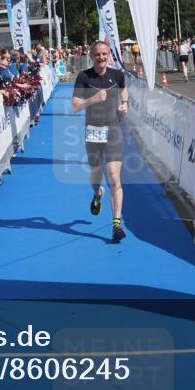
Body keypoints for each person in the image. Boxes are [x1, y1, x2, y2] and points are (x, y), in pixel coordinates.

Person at [72, 41, 129, 243]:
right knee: (96, 176)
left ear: (108, 56)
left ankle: (116, 224)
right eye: (98, 55)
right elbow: (75, 106)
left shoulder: (117, 75)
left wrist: (125, 105)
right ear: (91, 55)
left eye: (104, 54)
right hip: (93, 131)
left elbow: (123, 92)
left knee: (115, 178)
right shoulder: (84, 77)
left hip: (114, 130)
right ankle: (97, 194)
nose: (102, 57)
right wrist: (92, 100)